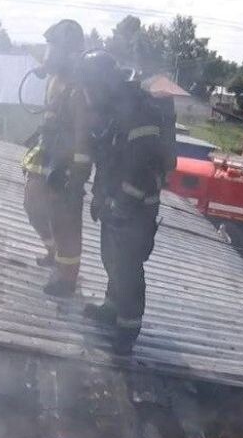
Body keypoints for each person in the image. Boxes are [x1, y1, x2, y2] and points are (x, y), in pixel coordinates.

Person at [79, 50, 177, 355]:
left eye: (92, 87)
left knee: (128, 266)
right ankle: (112, 307)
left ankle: (128, 328)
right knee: (111, 256)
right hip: (113, 200)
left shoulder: (137, 112)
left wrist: (122, 203)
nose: (90, 95)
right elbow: (107, 157)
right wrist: (100, 196)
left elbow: (143, 167)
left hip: (136, 206)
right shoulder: (112, 111)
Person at [21, 19, 92, 296]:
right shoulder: (55, 78)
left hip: (67, 159)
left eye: (55, 48)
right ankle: (52, 251)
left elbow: (83, 134)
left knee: (66, 221)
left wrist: (78, 174)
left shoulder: (80, 88)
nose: (49, 55)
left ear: (69, 52)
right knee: (32, 203)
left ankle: (67, 280)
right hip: (47, 149)